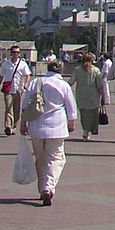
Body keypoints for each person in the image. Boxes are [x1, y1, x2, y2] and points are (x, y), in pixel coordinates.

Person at [21, 60, 77, 206]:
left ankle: (42, 189)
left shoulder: (35, 82)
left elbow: (25, 104)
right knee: (56, 158)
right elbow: (71, 107)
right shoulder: (64, 85)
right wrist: (72, 122)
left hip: (36, 126)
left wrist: (23, 123)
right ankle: (48, 187)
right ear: (60, 69)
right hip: (57, 127)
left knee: (40, 159)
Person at [0, 45, 32, 136]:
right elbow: (1, 76)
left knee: (16, 110)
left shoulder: (22, 64)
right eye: (14, 52)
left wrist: (26, 84)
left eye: (17, 52)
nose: (16, 54)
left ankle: (13, 126)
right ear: (11, 53)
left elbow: (28, 75)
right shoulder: (6, 64)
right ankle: (8, 126)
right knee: (8, 108)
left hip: (18, 90)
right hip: (8, 90)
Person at [69, 52, 104, 141]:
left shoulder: (77, 70)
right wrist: (103, 95)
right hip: (93, 96)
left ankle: (85, 131)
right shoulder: (95, 70)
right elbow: (100, 84)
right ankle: (89, 131)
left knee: (84, 115)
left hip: (81, 96)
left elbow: (71, 82)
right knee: (92, 115)